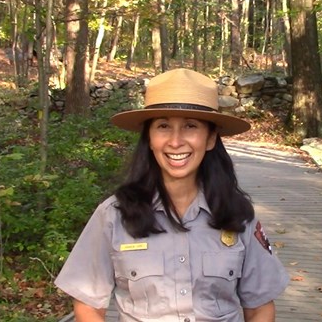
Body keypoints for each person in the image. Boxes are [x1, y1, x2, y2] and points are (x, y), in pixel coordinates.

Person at [55, 68, 289, 322]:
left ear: (210, 138)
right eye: (163, 126)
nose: (176, 141)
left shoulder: (237, 215)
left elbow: (260, 308)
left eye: (190, 126)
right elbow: (87, 306)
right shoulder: (113, 215)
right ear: (149, 138)